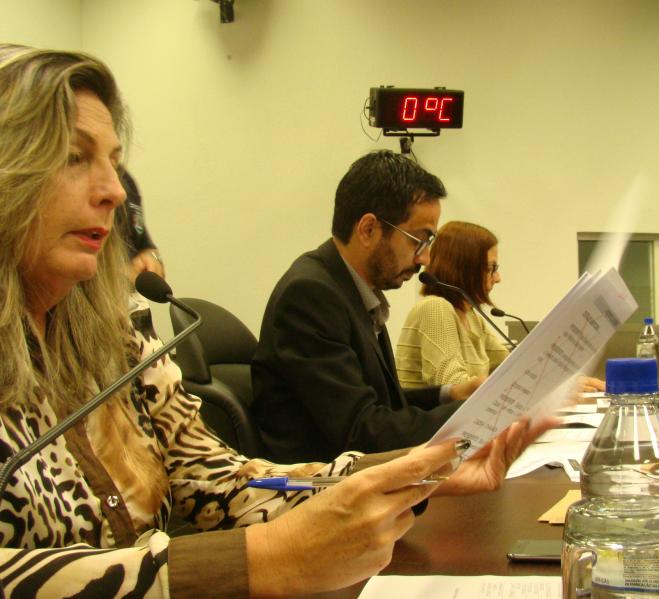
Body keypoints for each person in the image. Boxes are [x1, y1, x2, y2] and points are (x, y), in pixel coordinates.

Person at [0, 44, 554, 598]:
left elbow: (220, 483)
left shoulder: (122, 342)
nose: (115, 191)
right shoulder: (314, 292)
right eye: (74, 157)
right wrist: (259, 559)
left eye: (115, 163)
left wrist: (419, 468)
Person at [251, 151, 484, 463]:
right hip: (320, 484)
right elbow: (364, 432)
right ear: (368, 229)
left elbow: (381, 405)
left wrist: (451, 394)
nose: (425, 258)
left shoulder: (347, 289)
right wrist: (475, 412)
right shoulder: (310, 296)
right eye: (419, 240)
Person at [396, 221, 509, 388]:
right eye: (491, 268)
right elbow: (451, 383)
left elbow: (511, 364)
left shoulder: (472, 317)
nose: (498, 278)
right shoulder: (434, 307)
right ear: (465, 269)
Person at [117, 169, 165, 280]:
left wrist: (153, 259)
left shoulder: (125, 178)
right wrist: (118, 274)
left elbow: (144, 244)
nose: (119, 193)